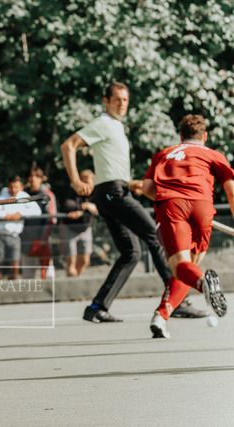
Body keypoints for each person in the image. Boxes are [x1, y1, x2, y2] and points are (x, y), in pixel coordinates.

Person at [61, 81, 206, 322]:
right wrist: (76, 180)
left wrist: (130, 184)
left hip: (115, 191)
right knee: (156, 237)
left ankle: (97, 307)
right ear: (106, 101)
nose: (122, 103)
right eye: (117, 99)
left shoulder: (116, 127)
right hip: (112, 194)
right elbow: (68, 145)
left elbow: (111, 168)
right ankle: (177, 302)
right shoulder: (103, 123)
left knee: (131, 253)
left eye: (125, 99)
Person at [143, 114, 232, 338]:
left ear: (181, 136)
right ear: (205, 136)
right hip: (203, 206)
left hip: (173, 205)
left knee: (181, 268)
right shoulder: (214, 154)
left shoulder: (163, 154)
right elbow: (231, 191)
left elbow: (147, 189)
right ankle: (161, 316)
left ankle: (203, 284)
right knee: (189, 267)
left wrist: (167, 196)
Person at [0, 176, 41, 279]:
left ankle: (13, 287)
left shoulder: (24, 197)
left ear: (21, 187)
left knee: (15, 262)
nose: (13, 190)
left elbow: (37, 211)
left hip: (14, 235)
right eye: (11, 187)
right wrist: (4, 215)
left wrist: (20, 214)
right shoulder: (0, 198)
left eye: (16, 187)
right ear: (8, 187)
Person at [21, 167, 57, 279]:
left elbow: (51, 217)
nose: (33, 179)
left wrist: (44, 238)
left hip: (43, 237)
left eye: (36, 176)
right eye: (31, 176)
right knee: (28, 271)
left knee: (47, 270)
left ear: (41, 178)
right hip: (26, 237)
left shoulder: (47, 194)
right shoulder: (23, 193)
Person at [62, 169, 97, 277]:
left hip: (85, 229)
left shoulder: (95, 193)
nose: (85, 186)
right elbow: (67, 206)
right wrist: (84, 206)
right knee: (71, 262)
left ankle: (75, 279)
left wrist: (80, 211)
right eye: (83, 182)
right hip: (70, 229)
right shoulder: (72, 192)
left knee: (85, 261)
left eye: (88, 183)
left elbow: (97, 209)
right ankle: (71, 281)